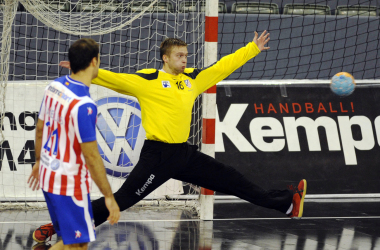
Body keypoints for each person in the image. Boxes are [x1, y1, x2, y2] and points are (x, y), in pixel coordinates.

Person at [32, 31, 307, 243]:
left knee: (233, 179)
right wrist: (82, 69)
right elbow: (110, 78)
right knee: (123, 199)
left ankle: (285, 204)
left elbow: (223, 67)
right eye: (179, 56)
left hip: (184, 155)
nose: (185, 60)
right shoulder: (147, 81)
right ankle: (57, 227)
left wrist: (252, 49)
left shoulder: (193, 79)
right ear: (165, 58)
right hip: (158, 157)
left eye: (186, 55)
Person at [28, 38, 120, 250]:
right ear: (95, 62)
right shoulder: (84, 105)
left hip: (48, 174)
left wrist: (38, 162)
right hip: (69, 183)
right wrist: (108, 196)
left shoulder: (54, 86)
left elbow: (40, 129)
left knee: (70, 241)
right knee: (78, 245)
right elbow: (91, 156)